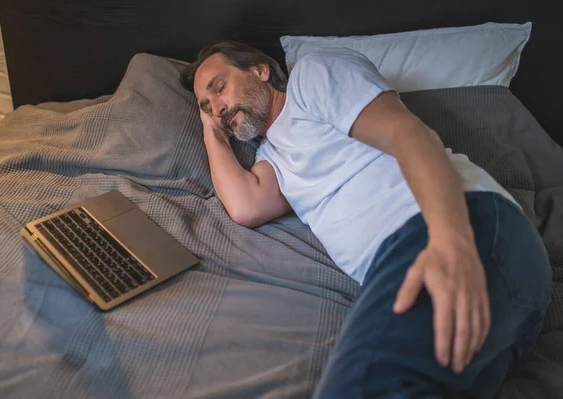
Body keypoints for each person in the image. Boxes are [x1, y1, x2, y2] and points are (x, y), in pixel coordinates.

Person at [179, 41, 552, 398]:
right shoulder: (272, 157)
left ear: (261, 70)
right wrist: (212, 128)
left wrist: (449, 240)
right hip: (505, 299)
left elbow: (406, 133)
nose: (217, 107)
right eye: (206, 104)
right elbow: (244, 207)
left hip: (453, 230)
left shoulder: (313, 76)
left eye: (220, 87)